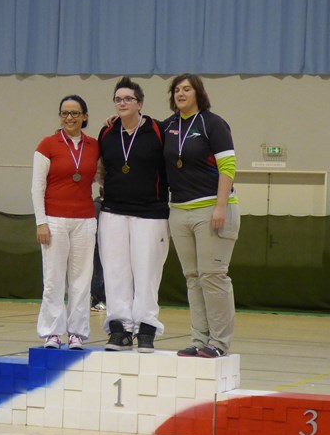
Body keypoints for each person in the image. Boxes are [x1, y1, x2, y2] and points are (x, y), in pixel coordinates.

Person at [162, 74, 239, 358]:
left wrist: (220, 206)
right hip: (179, 210)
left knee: (213, 276)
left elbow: (228, 167)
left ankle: (219, 343)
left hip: (212, 209)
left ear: (198, 93)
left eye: (186, 89)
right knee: (192, 278)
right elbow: (142, 132)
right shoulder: (168, 126)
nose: (180, 93)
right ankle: (199, 339)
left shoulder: (212, 123)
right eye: (176, 90)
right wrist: (118, 119)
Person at [97, 77, 170, 353]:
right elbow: (101, 170)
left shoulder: (158, 130)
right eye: (118, 99)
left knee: (147, 273)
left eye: (128, 98)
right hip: (113, 212)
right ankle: (120, 329)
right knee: (115, 272)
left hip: (151, 213)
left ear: (140, 103)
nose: (122, 103)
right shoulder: (107, 132)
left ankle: (146, 329)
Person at [32, 95, 100, 350]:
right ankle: (52, 333)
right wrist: (41, 222)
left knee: (82, 280)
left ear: (85, 116)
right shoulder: (47, 145)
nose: (69, 118)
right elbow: (37, 188)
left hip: (85, 220)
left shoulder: (94, 146)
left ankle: (77, 333)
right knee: (53, 278)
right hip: (54, 221)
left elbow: (102, 176)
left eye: (75, 113)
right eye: (65, 113)